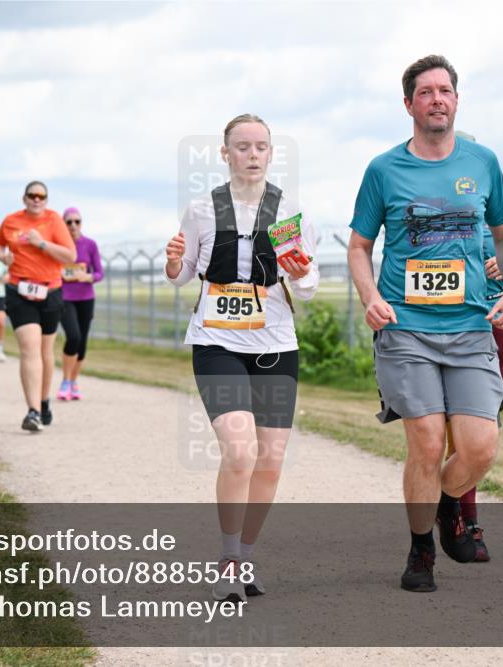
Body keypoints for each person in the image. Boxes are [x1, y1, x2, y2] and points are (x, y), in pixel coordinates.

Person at [347, 55, 503, 593]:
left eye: (445, 90)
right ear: (409, 105)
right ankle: (422, 549)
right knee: (425, 441)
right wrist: (370, 297)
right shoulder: (383, 170)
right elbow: (359, 245)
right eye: (425, 92)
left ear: (456, 99)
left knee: (480, 447)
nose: (437, 99)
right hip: (406, 328)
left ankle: (447, 506)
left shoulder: (483, 161)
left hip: (470, 329)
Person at [165, 114, 319, 603]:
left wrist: (300, 272)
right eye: (242, 146)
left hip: (275, 344)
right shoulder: (201, 209)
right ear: (225, 153)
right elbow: (183, 274)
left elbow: (309, 288)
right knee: (240, 451)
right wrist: (173, 263)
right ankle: (228, 560)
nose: (252, 154)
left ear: (271, 153)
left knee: (270, 462)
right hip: (216, 342)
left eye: (261, 146)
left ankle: (246, 556)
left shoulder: (290, 209)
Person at [445, 131, 503, 562]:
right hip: (441, 325)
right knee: (446, 427)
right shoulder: (431, 209)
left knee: (481, 426)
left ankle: (456, 508)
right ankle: (461, 516)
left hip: (492, 324)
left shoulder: (499, 210)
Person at [0, 181, 76, 431]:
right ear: (24, 198)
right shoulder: (11, 221)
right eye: (32, 195)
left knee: (45, 352)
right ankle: (33, 412)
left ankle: (43, 398)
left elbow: (70, 256)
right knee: (29, 347)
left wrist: (41, 243)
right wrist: (2, 256)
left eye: (42, 196)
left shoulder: (54, 221)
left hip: (50, 291)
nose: (37, 199)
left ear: (46, 200)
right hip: (19, 290)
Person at [57, 207, 103, 401]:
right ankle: (65, 381)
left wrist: (87, 276)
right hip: (65, 298)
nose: (73, 225)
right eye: (69, 222)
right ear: (63, 224)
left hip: (86, 298)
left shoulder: (90, 244)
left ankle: (74, 382)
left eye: (77, 221)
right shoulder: (58, 246)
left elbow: (100, 273)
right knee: (73, 337)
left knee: (82, 342)